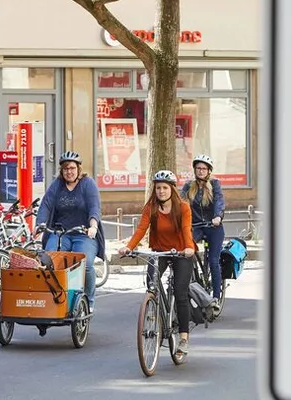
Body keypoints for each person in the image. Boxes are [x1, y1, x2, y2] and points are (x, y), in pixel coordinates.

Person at [119, 170, 196, 356]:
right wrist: (128, 247)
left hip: (181, 253)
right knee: (151, 283)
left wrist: (188, 247)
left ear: (172, 189)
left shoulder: (183, 207)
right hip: (160, 251)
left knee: (180, 292)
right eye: (158, 188)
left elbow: (186, 230)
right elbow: (141, 230)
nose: (161, 191)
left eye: (164, 188)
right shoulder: (151, 208)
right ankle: (154, 312)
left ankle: (184, 339)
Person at [35, 151, 106, 305]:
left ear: (78, 169)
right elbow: (45, 205)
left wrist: (93, 225)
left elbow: (95, 207)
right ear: (62, 171)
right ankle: (55, 298)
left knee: (85, 264)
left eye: (72, 168)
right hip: (61, 233)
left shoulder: (88, 183)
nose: (69, 172)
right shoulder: (57, 185)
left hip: (84, 234)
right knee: (49, 261)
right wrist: (40, 225)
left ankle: (89, 301)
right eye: (66, 169)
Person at [180, 154, 226, 304]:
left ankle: (216, 298)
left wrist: (218, 216)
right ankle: (189, 283)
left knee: (213, 261)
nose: (200, 171)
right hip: (196, 227)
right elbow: (181, 203)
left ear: (208, 171)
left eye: (203, 168)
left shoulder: (215, 184)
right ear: (194, 170)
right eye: (198, 168)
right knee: (186, 250)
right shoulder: (188, 185)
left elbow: (219, 201)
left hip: (214, 227)